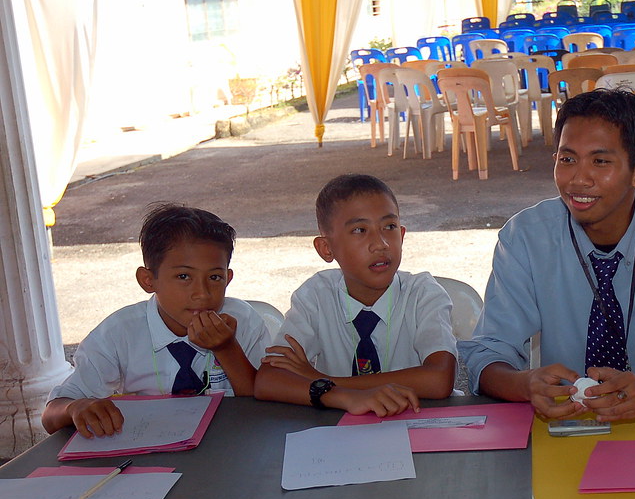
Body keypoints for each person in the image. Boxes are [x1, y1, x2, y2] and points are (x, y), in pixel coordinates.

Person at [459, 89, 635, 423]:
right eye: (567, 159)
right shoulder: (525, 237)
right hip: (566, 424)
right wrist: (524, 384)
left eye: (601, 161)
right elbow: (488, 351)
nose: (578, 178)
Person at [42, 204, 271, 437]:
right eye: (184, 276)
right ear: (148, 280)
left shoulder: (244, 321)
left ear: (228, 278)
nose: (202, 293)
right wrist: (75, 407)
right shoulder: (119, 333)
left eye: (214, 277)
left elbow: (265, 402)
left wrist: (227, 349)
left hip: (232, 444)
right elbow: (51, 416)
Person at [254, 174, 456, 414]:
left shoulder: (423, 294)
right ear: (326, 248)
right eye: (360, 230)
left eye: (389, 227)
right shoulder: (315, 297)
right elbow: (267, 381)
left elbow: (440, 379)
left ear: (401, 235)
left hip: (423, 427)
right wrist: (343, 397)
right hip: (340, 436)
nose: (380, 244)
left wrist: (322, 381)